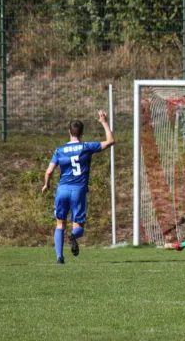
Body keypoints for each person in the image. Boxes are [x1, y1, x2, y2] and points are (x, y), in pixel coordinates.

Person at [41, 110, 115, 264]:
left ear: (69, 131)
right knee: (78, 225)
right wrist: (104, 123)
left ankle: (59, 257)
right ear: (82, 132)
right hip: (78, 190)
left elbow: (48, 172)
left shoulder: (59, 150)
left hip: (62, 190)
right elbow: (110, 141)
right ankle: (74, 236)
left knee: (60, 224)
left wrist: (46, 185)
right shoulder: (87, 146)